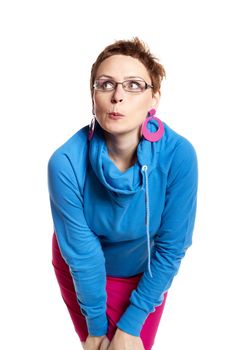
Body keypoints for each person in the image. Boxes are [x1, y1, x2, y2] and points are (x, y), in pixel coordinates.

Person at [47, 37, 198, 350]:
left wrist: (133, 321)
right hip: (82, 270)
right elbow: (83, 256)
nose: (117, 96)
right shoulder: (64, 163)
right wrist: (96, 329)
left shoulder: (179, 155)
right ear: (93, 97)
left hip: (145, 272)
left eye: (133, 85)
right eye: (105, 84)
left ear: (153, 97)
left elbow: (172, 246)